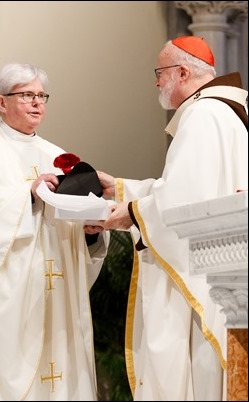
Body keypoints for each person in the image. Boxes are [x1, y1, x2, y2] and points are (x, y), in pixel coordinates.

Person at [0, 62, 110, 401]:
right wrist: (26, 193)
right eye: (27, 95)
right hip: (5, 296)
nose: (37, 102)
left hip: (56, 295)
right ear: (1, 102)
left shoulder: (58, 156)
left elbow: (77, 230)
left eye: (42, 95)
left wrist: (89, 231)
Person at [91, 36, 248, 401]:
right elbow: (190, 189)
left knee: (200, 373)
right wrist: (120, 187)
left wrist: (130, 213)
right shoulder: (227, 115)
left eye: (160, 73)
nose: (156, 82)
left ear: (182, 72)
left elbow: (182, 202)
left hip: (206, 278)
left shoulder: (203, 115)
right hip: (226, 270)